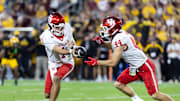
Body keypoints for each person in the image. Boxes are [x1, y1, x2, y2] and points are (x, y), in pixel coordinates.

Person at [84, 16, 174, 101]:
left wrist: (97, 62)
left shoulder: (120, 38)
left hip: (144, 66)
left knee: (155, 95)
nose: (103, 30)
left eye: (106, 28)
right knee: (119, 84)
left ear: (113, 28)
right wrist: (102, 43)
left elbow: (113, 62)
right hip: (134, 67)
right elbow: (114, 46)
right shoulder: (119, 35)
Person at [40, 12, 86, 101]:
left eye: (62, 26)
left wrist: (75, 48)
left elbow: (72, 42)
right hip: (53, 63)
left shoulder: (67, 27)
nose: (60, 28)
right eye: (57, 27)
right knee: (47, 94)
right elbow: (58, 50)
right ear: (50, 26)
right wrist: (71, 51)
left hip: (67, 62)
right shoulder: (46, 36)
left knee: (56, 78)